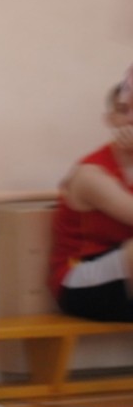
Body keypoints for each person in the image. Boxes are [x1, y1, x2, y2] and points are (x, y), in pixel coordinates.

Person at [50, 83, 133, 322]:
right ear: (110, 119)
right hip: (79, 278)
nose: (131, 118)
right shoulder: (91, 174)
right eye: (123, 110)